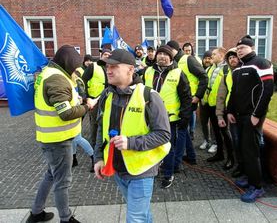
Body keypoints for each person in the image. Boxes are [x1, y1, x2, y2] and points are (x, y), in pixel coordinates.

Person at [94, 49, 171, 222]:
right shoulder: (107, 95)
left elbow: (164, 134)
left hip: (142, 170)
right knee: (141, 214)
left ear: (130, 69)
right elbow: (101, 129)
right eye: (107, 66)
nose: (108, 70)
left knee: (135, 218)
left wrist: (131, 143)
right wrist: (98, 158)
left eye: (114, 66)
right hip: (118, 169)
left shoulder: (149, 96)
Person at [27, 45, 97, 223]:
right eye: (74, 66)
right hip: (58, 140)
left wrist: (81, 99)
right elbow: (65, 113)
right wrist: (87, 106)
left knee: (51, 175)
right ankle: (66, 218)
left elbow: (64, 99)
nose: (76, 70)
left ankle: (36, 213)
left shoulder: (51, 74)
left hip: (52, 138)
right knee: (62, 181)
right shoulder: (56, 79)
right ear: (67, 63)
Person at [227, 35, 274, 203]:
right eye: (237, 48)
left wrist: (257, 114)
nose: (239, 51)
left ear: (252, 48)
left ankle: (257, 187)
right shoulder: (239, 67)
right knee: (243, 149)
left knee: (251, 151)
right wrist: (230, 110)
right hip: (239, 115)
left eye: (243, 48)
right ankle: (249, 177)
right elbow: (234, 92)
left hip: (252, 116)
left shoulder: (261, 63)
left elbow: (267, 90)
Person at [143, 45, 192, 188]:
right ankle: (154, 168)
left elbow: (186, 97)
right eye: (160, 54)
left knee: (168, 147)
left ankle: (168, 173)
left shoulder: (178, 73)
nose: (162, 57)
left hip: (169, 119)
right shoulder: (148, 71)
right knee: (151, 145)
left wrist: (185, 116)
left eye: (166, 54)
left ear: (171, 58)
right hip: (148, 116)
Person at [167, 40, 208, 165]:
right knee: (183, 130)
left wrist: (197, 96)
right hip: (180, 101)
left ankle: (176, 162)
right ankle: (191, 156)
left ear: (173, 49)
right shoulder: (174, 61)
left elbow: (204, 77)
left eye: (168, 51)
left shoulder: (188, 59)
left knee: (181, 131)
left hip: (189, 101)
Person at [202, 47, 234, 168]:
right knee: (216, 131)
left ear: (221, 55)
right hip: (211, 104)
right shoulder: (210, 68)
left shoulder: (226, 69)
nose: (212, 56)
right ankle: (219, 153)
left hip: (222, 106)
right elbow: (208, 85)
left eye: (214, 54)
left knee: (225, 132)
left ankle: (231, 158)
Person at [215, 47, 240, 170]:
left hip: (243, 113)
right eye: (230, 57)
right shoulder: (226, 74)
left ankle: (242, 165)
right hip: (228, 111)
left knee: (241, 140)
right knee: (230, 137)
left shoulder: (245, 71)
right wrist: (219, 115)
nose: (232, 59)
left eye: (234, 56)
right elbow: (221, 95)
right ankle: (231, 159)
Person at [82, 56, 108, 147]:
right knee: (95, 122)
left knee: (105, 122)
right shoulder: (94, 66)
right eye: (105, 54)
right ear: (102, 55)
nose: (107, 56)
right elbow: (83, 80)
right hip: (94, 100)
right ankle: (94, 144)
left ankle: (103, 142)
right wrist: (86, 97)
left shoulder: (111, 65)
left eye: (109, 54)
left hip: (107, 99)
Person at [199, 50, 217, 153]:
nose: (207, 60)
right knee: (203, 122)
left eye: (209, 58)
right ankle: (206, 140)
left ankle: (215, 143)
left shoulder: (216, 69)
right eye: (205, 58)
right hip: (203, 101)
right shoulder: (202, 70)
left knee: (214, 124)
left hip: (213, 102)